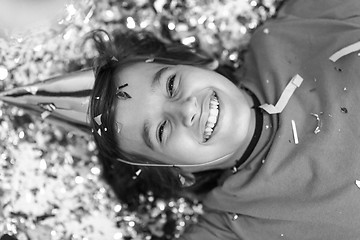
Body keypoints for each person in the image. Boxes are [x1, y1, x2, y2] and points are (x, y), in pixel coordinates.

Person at [88, 0, 360, 239]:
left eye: (171, 85)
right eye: (161, 130)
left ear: (198, 63)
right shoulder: (234, 225)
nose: (186, 110)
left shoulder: (291, 30)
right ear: (178, 172)